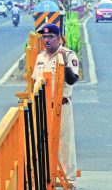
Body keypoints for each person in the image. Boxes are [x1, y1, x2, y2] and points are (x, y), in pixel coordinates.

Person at [32, 23, 79, 189]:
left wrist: (63, 61)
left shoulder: (68, 55)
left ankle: (69, 179)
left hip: (61, 106)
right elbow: (35, 81)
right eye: (44, 37)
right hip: (42, 107)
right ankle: (47, 175)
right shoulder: (40, 57)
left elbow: (72, 79)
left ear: (58, 38)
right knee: (42, 141)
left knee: (64, 142)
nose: (46, 40)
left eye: (50, 37)